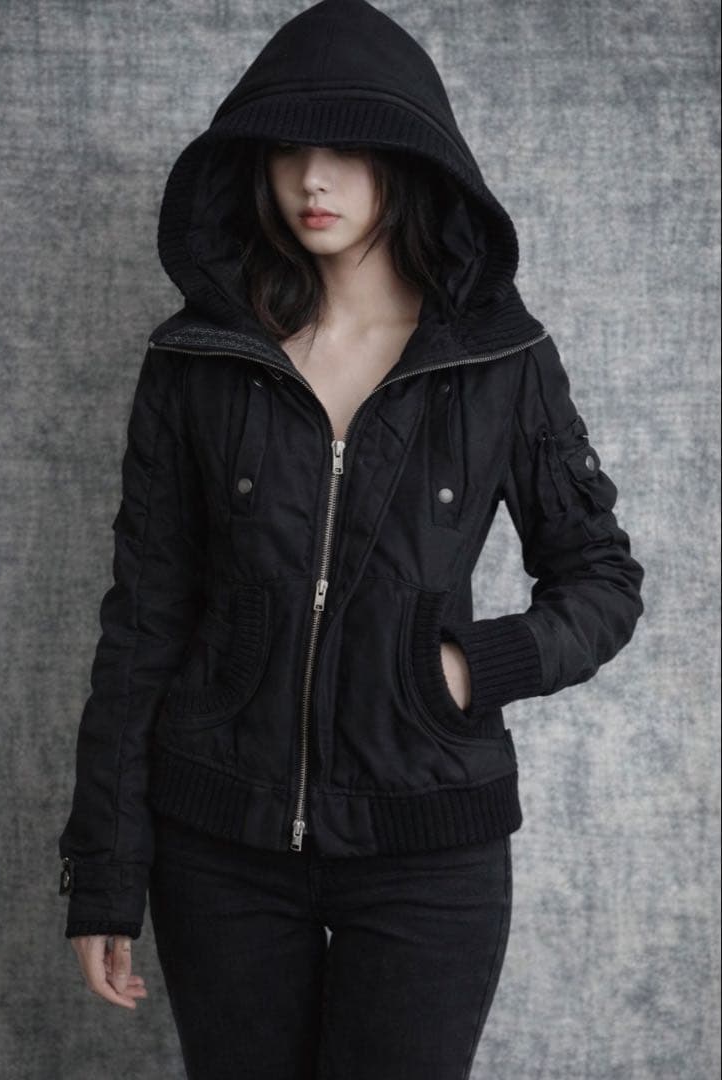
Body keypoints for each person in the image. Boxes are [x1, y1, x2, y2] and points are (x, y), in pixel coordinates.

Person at [57, 1, 645, 1077]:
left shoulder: (499, 361)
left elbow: (600, 578)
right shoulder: (199, 360)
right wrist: (103, 871)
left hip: (429, 847)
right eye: (287, 150)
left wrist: (468, 668)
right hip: (220, 846)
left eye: (346, 150)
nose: (311, 179)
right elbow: (142, 620)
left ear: (409, 162)